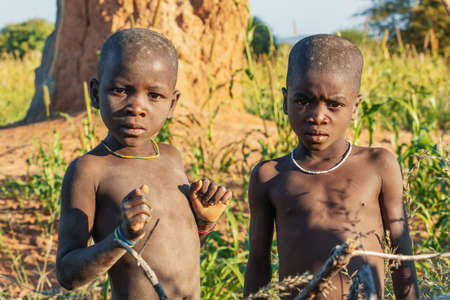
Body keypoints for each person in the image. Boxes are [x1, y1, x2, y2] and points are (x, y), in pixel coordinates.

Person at [56, 28, 231, 300]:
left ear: (172, 104)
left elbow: (175, 253)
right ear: (94, 93)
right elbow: (68, 274)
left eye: (154, 96)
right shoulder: (90, 170)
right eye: (120, 90)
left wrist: (203, 225)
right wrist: (121, 237)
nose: (136, 106)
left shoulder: (172, 158)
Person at [243, 34, 418, 299]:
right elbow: (258, 265)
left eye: (334, 104)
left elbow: (401, 259)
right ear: (284, 101)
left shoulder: (378, 166)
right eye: (303, 101)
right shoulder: (269, 176)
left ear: (355, 107)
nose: (317, 116)